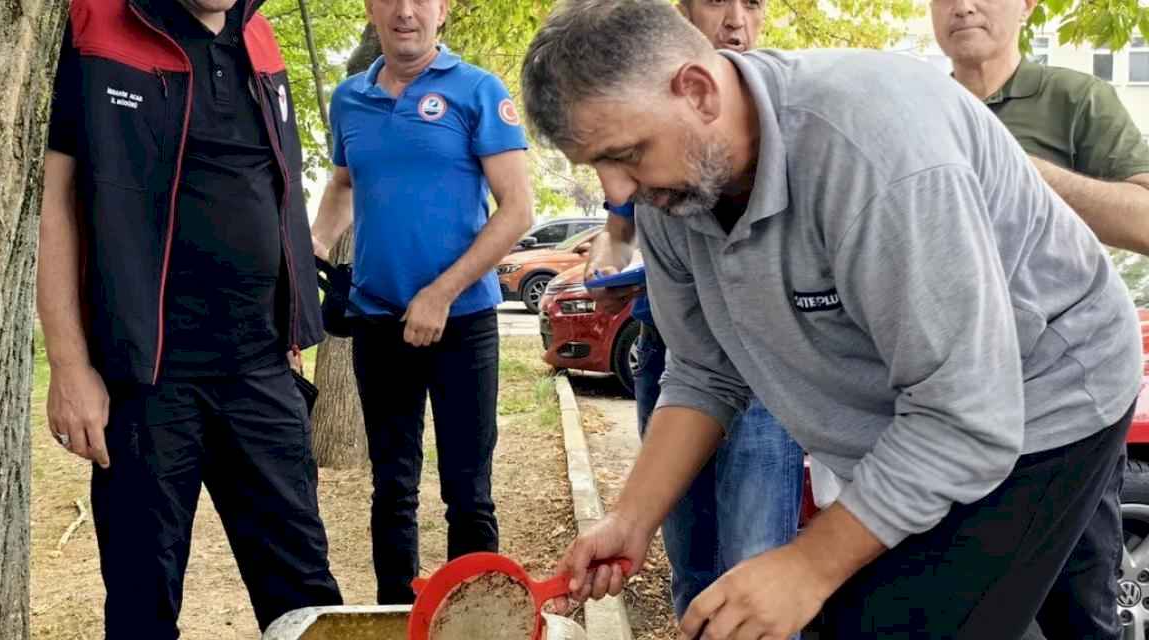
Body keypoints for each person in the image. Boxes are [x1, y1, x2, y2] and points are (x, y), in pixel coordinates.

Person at [521, 1, 1142, 638]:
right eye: (598, 164)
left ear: (698, 91)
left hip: (1043, 398)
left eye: (627, 154)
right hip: (922, 416)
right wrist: (630, 518)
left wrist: (809, 565)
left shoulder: (876, 152)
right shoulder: (669, 189)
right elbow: (706, 371)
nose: (618, 192)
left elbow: (965, 418)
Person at [38, 0, 341, 636]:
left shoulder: (260, 37)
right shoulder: (94, 27)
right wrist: (69, 365)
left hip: (261, 371)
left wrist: (291, 326)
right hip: (146, 382)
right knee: (141, 607)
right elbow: (55, 202)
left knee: (306, 599)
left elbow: (272, 187)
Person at [583, 0, 803, 622]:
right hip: (674, 350)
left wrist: (814, 565)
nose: (735, 18)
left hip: (767, 370)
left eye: (752, 3)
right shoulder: (643, 137)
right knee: (691, 553)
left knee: (757, 555)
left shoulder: (801, 131)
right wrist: (629, 519)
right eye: (715, 0)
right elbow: (619, 228)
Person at [309, 0, 534, 605]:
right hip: (378, 323)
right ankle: (398, 614)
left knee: (468, 493)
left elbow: (518, 210)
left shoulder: (478, 90)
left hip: (462, 325)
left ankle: (472, 620)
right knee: (392, 490)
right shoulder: (349, 99)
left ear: (443, 10)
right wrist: (311, 250)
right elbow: (344, 184)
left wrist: (441, 292)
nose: (405, 11)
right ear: (370, 9)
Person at [933, 0, 1149, 255]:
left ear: (1026, 6)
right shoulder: (918, 112)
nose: (963, 7)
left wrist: (1016, 170)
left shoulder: (1078, 97)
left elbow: (1143, 224)